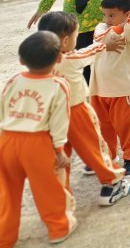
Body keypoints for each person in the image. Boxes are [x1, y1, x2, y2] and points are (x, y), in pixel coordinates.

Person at [38, 12, 130, 206]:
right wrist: (108, 45)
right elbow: (91, 50)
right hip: (77, 112)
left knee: (58, 159)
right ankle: (112, 184)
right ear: (65, 41)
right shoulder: (72, 58)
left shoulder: (38, 64)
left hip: (51, 118)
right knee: (95, 148)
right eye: (76, 35)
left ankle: (60, 197)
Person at [0, 32, 76, 246]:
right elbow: (59, 123)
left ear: (21, 60)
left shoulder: (14, 80)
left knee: (6, 192)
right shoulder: (58, 85)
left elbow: (3, 109)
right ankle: (58, 229)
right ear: (58, 58)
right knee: (47, 188)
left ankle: (4, 237)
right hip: (37, 143)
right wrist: (60, 151)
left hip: (7, 140)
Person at [89, 0, 130, 178]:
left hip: (123, 90)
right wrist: (119, 25)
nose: (106, 19)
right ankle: (107, 157)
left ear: (127, 14)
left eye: (112, 15)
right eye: (105, 14)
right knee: (101, 127)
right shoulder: (100, 27)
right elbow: (102, 38)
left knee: (127, 127)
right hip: (99, 90)